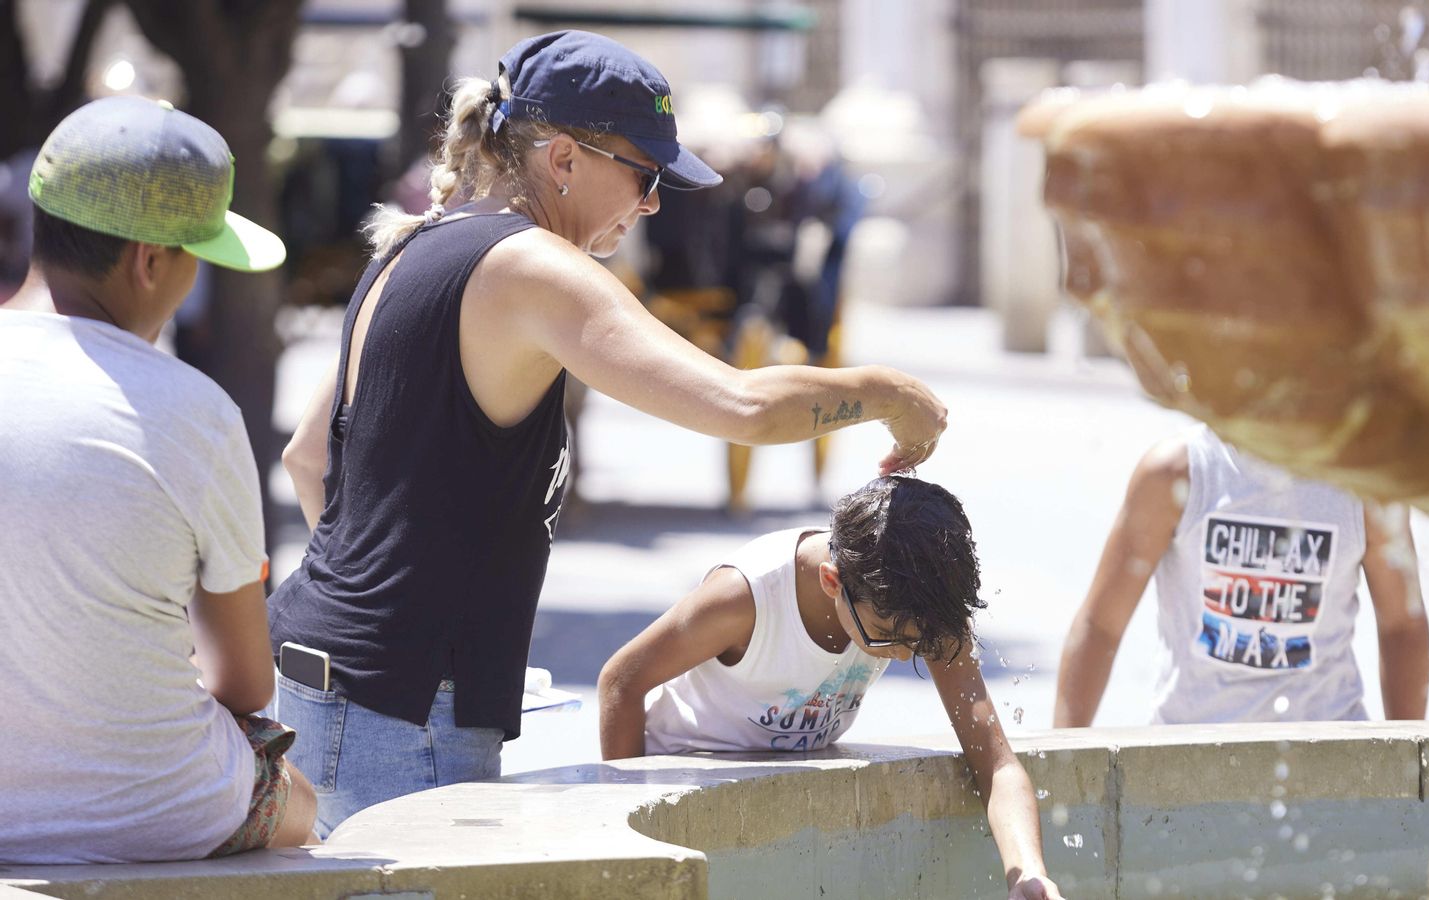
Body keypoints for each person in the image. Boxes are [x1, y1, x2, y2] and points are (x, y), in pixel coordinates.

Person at [269, 30, 946, 837]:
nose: (654, 202)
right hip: (402, 709)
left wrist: (392, 611)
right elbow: (740, 404)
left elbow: (309, 457)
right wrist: (889, 392)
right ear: (563, 161)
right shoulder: (532, 267)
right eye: (645, 174)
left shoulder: (413, 246)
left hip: (328, 681)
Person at [0, 96, 316, 862]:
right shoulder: (194, 411)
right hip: (159, 809)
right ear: (149, 259)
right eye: (194, 258)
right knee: (303, 804)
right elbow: (243, 684)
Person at [599, 477, 1063, 900]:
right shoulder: (744, 600)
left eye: (918, 643)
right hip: (686, 769)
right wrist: (633, 845)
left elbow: (997, 765)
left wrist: (1029, 876)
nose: (905, 654)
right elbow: (621, 681)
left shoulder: (921, 610)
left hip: (782, 803)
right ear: (832, 582)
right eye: (887, 635)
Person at [1052, 424, 1429, 728]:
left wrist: (1411, 769)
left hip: (1329, 749)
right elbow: (1101, 624)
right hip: (1188, 756)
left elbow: (1403, 625)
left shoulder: (1364, 485)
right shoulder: (1177, 473)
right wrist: (1062, 765)